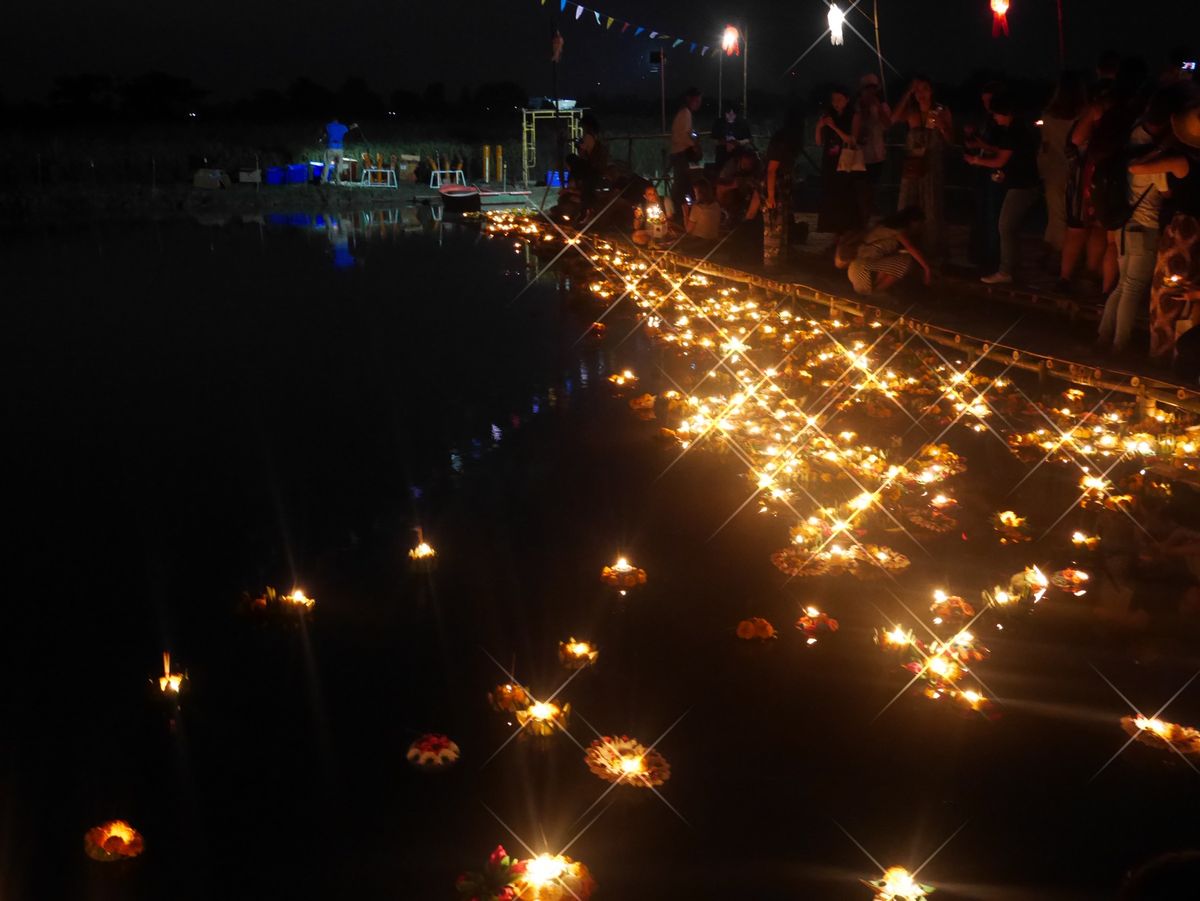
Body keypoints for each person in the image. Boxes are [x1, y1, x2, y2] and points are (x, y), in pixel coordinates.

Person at [1096, 93, 1174, 356]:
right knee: (1132, 289)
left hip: (1122, 225)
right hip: (1144, 226)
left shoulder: (1128, 144)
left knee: (1121, 285)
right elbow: (1165, 194)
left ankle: (1104, 336)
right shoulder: (1153, 158)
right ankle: (1119, 344)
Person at [1146, 94, 1200, 362]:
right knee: (1191, 294)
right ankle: (1184, 356)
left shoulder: (1182, 162)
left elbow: (1136, 168)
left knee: (1168, 293)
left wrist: (1161, 148)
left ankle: (1164, 354)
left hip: (1185, 231)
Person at [967, 96, 1041, 285]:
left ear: (1006, 113)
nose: (995, 119)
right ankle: (1013, 266)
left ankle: (1005, 271)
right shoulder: (1017, 130)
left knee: (1005, 226)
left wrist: (976, 160)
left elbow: (1000, 160)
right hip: (1023, 184)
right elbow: (1004, 153)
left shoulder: (1013, 132)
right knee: (1011, 228)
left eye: (997, 115)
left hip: (1022, 187)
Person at [894, 75, 953, 264]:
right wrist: (907, 93)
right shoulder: (911, 111)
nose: (921, 94)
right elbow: (893, 118)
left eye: (924, 89)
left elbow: (951, 139)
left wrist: (943, 128)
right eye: (917, 90)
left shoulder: (941, 110)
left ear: (932, 90)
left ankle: (932, 249)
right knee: (908, 203)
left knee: (931, 205)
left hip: (932, 165)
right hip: (912, 164)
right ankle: (907, 246)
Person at [1039, 71, 1089, 253]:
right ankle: (1069, 254)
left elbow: (1045, 144)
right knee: (1075, 216)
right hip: (1076, 170)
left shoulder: (1049, 115)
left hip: (1053, 168)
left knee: (1056, 213)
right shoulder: (1083, 115)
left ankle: (1055, 250)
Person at [835, 206, 932, 295]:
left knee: (895, 261)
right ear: (912, 221)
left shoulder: (884, 227)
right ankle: (877, 294)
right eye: (919, 224)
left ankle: (874, 294)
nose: (919, 228)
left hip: (854, 271)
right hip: (863, 270)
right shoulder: (896, 231)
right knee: (906, 260)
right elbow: (911, 248)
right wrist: (927, 269)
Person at [761, 110, 805, 269]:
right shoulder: (781, 141)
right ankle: (771, 265)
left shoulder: (790, 141)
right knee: (773, 226)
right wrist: (771, 196)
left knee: (782, 226)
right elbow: (771, 170)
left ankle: (781, 261)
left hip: (783, 186)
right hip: (774, 186)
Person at [815, 86, 860, 237]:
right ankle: (833, 236)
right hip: (829, 161)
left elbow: (852, 140)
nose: (836, 103)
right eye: (834, 99)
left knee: (844, 198)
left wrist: (834, 127)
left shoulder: (853, 116)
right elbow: (818, 142)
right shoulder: (829, 115)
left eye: (840, 99)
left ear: (847, 99)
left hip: (845, 162)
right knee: (830, 197)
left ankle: (843, 234)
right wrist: (819, 127)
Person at [852, 74, 892, 223]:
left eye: (873, 89)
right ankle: (860, 221)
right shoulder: (856, 106)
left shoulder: (882, 106)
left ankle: (865, 221)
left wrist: (879, 108)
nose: (870, 92)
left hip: (877, 155)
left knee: (870, 192)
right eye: (867, 89)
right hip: (858, 156)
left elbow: (888, 125)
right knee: (859, 192)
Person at [669, 88, 703, 225]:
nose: (698, 104)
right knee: (682, 186)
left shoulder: (684, 113)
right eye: (697, 101)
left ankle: (682, 215)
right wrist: (693, 145)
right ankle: (680, 215)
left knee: (681, 185)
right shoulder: (685, 113)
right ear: (691, 100)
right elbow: (681, 135)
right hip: (680, 154)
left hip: (679, 153)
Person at [711, 102, 752, 169]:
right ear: (724, 113)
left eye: (733, 114)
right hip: (722, 155)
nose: (731, 116)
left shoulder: (743, 123)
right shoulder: (718, 122)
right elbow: (713, 139)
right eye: (728, 113)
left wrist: (738, 142)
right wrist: (724, 143)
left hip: (739, 155)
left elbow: (749, 139)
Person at [322, 117, 353, 184]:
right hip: (339, 148)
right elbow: (349, 128)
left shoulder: (328, 125)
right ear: (337, 120)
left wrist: (322, 139)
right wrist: (354, 125)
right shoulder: (342, 126)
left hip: (330, 147)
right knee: (339, 165)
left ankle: (324, 180)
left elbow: (325, 134)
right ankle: (338, 181)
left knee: (327, 164)